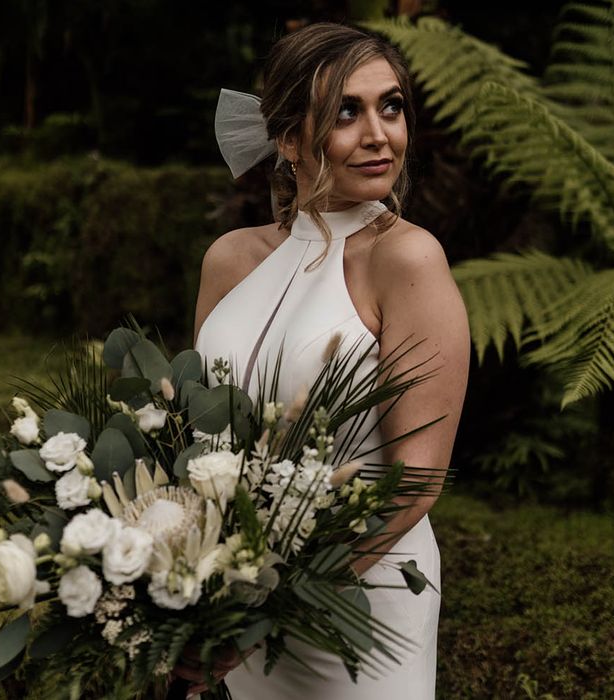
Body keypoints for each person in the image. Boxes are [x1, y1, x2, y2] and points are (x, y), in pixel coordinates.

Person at [189, 21, 470, 699]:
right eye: (348, 111)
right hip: (233, 598)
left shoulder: (407, 259)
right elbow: (189, 434)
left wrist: (263, 610)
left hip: (361, 603)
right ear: (289, 138)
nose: (379, 134)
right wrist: (189, 600)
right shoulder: (230, 260)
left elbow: (414, 485)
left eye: (391, 106)